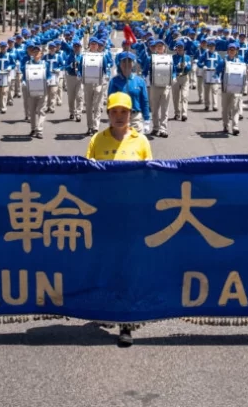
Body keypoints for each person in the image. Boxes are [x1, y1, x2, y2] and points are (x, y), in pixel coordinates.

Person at [85, 90, 153, 348]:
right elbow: (85, 177)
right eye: (114, 111)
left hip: (132, 215)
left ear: (130, 114)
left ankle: (126, 322)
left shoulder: (141, 141)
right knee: (107, 264)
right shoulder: (97, 141)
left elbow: (151, 178)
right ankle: (108, 306)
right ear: (108, 114)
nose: (119, 116)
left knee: (128, 266)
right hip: (104, 214)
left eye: (124, 112)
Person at [107, 52, 151, 133]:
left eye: (129, 61)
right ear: (119, 64)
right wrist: (111, 118)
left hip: (135, 117)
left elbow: (144, 101)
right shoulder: (114, 81)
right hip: (119, 116)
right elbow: (110, 101)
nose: (126, 64)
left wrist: (147, 119)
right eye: (123, 61)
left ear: (133, 63)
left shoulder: (140, 81)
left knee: (136, 144)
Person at [216, 42, 245, 135]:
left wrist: (245, 80)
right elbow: (217, 71)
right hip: (226, 87)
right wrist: (217, 78)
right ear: (228, 51)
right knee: (225, 108)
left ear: (236, 51)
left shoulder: (240, 60)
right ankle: (225, 125)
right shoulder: (223, 61)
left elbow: (243, 72)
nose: (232, 51)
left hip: (237, 88)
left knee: (235, 107)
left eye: (234, 50)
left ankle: (235, 126)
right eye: (230, 50)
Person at [170, 40, 191, 122]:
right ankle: (177, 113)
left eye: (181, 48)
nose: (179, 49)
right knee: (175, 97)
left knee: (184, 96)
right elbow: (172, 68)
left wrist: (186, 66)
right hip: (176, 77)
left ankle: (184, 113)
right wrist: (174, 75)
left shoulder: (187, 57)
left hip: (185, 77)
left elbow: (189, 68)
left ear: (183, 48)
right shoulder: (173, 57)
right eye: (178, 48)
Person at [0, 41, 15, 114]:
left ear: (7, 47)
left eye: (4, 47)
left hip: (6, 75)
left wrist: (10, 67)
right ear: (0, 47)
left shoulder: (10, 55)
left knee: (4, 91)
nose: (3, 48)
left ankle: (3, 107)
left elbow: (13, 64)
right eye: (2, 47)